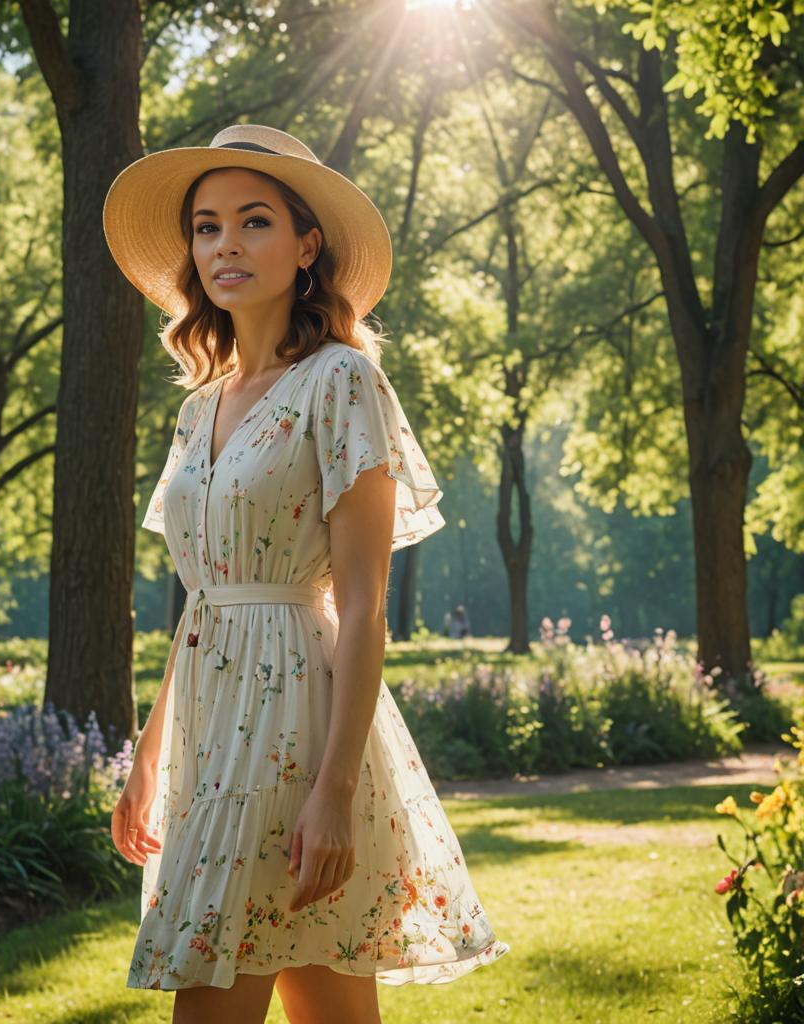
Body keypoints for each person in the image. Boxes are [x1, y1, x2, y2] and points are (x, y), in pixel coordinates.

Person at [102, 124, 509, 1024]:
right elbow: (202, 601)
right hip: (211, 722)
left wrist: (332, 794)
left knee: (209, 1001)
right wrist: (148, 754)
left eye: (253, 222)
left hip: (295, 717)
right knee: (327, 1006)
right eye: (207, 228)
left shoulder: (340, 383)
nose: (226, 246)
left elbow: (363, 607)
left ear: (307, 245)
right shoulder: (197, 407)